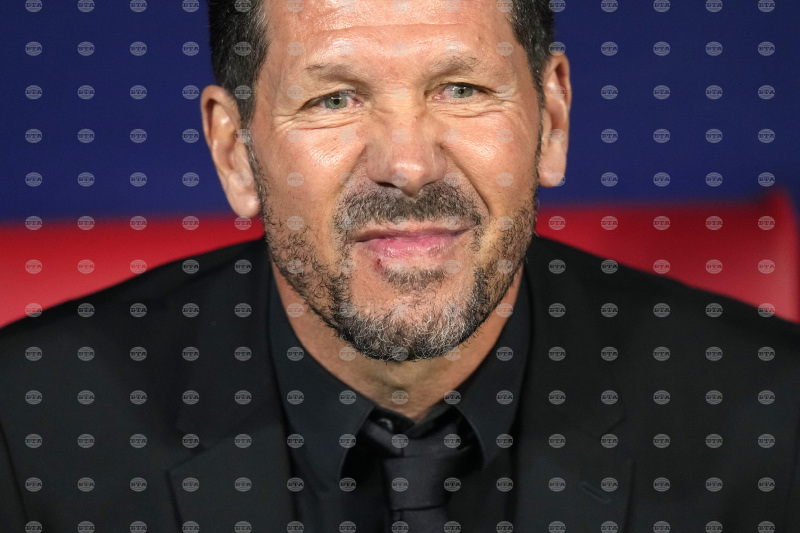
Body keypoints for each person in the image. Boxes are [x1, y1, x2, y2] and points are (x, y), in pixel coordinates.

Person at [1, 0, 798, 531]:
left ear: (552, 121)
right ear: (234, 152)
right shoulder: (30, 431)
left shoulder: (772, 415)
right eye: (333, 100)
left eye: (461, 88)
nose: (408, 166)